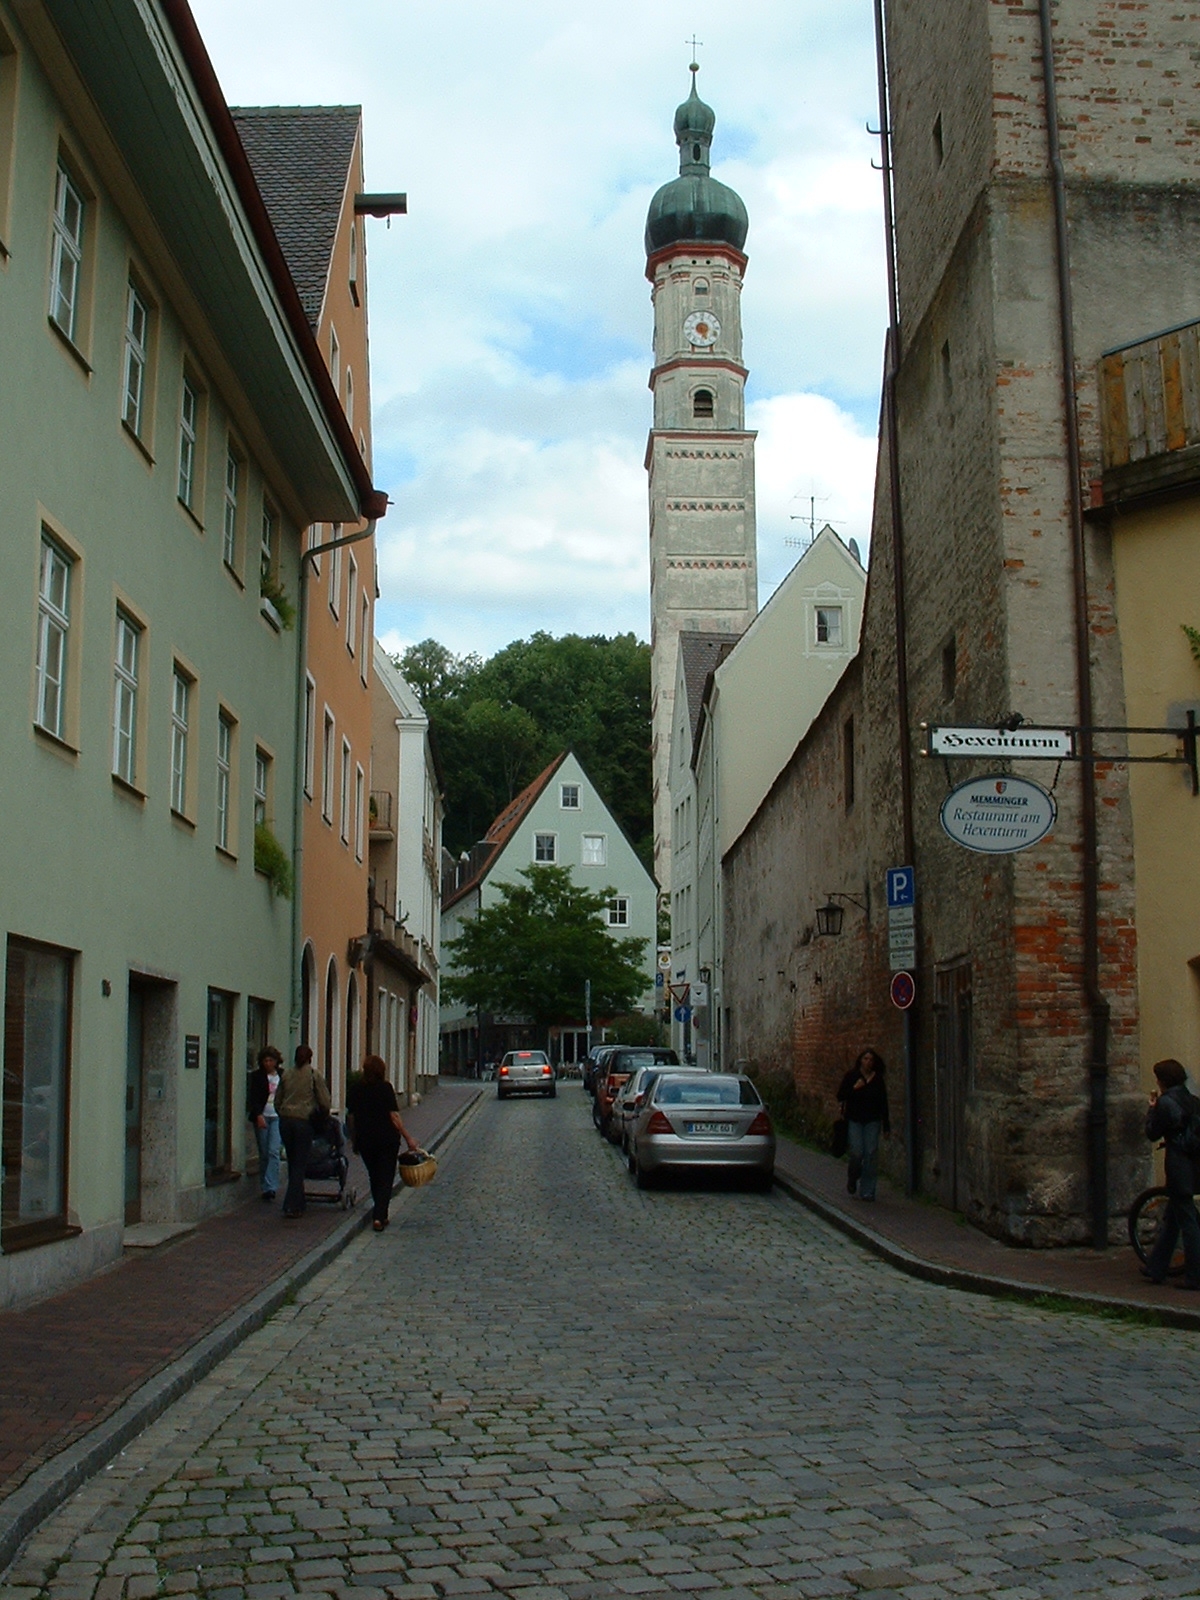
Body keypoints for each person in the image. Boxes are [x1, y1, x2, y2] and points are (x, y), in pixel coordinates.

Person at [1142, 1057, 1200, 1289]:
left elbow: (1152, 1133)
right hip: (1195, 1165)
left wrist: (1151, 1108)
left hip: (1179, 1167)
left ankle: (1194, 1276)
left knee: (1187, 1222)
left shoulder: (1166, 1103)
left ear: (1163, 1081)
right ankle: (1156, 1267)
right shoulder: (1193, 1100)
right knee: (1174, 1217)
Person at [346, 1054, 420, 1231]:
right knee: (386, 1177)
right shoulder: (385, 1088)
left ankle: (379, 1212)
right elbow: (394, 1116)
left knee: (374, 1175)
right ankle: (380, 1216)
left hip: (365, 1140)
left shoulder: (357, 1089)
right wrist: (408, 1138)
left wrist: (354, 1139)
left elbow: (351, 1116)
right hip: (386, 1139)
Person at [274, 1044, 331, 1219]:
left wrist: (284, 1112)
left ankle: (299, 1201)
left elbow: (277, 1100)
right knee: (300, 1163)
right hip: (303, 1123)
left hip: (285, 1121)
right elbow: (325, 1101)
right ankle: (291, 1204)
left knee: (292, 1161)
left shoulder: (286, 1075)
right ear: (310, 1058)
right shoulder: (314, 1075)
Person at [837, 1048, 890, 1202]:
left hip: (872, 1121)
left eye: (871, 1060)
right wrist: (854, 1088)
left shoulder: (878, 1080)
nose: (868, 1062)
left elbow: (883, 1103)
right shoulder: (852, 1076)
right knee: (857, 1152)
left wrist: (886, 1125)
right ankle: (853, 1176)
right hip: (854, 1120)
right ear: (860, 1060)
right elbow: (841, 1096)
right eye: (865, 1059)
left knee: (871, 1154)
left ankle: (867, 1191)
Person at [246, 1044, 284, 1201]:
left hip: (277, 1116)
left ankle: (271, 1187)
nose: (268, 1063)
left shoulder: (282, 1076)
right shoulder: (257, 1076)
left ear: (276, 1061)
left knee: (273, 1150)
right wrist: (258, 1114)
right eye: (265, 1060)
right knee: (264, 1153)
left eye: (271, 1060)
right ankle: (264, 1184)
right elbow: (253, 1098)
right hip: (263, 1116)